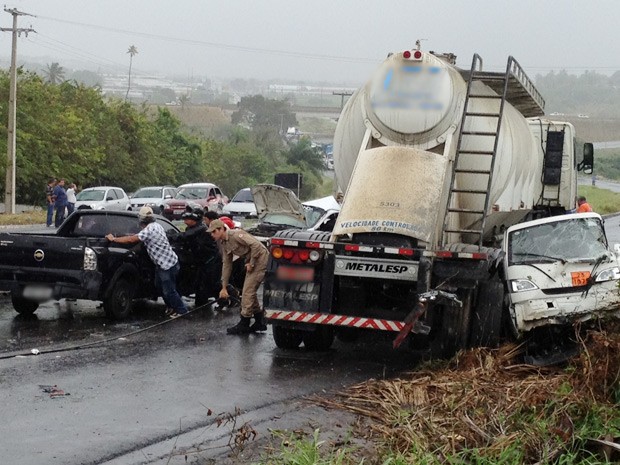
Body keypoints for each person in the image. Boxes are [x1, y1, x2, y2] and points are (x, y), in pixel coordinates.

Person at [105, 206, 188, 318]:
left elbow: (131, 239)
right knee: (159, 286)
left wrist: (114, 239)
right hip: (167, 263)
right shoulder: (157, 226)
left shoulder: (148, 231)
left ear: (141, 220)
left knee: (169, 290)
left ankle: (182, 311)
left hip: (166, 265)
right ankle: (172, 307)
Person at [208, 219, 269, 334]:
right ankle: (259, 320)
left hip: (260, 259)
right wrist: (224, 287)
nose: (212, 235)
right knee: (248, 290)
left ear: (221, 229)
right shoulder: (224, 243)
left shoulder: (236, 235)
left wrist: (251, 262)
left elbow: (256, 246)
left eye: (214, 231)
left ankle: (244, 323)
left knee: (247, 292)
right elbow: (227, 265)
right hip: (251, 260)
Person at [175, 206, 222, 308]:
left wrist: (171, 235)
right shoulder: (191, 229)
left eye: (187, 219)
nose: (185, 221)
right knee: (201, 284)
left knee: (214, 283)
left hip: (211, 260)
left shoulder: (201, 228)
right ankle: (202, 304)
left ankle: (229, 298)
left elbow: (185, 236)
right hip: (201, 261)